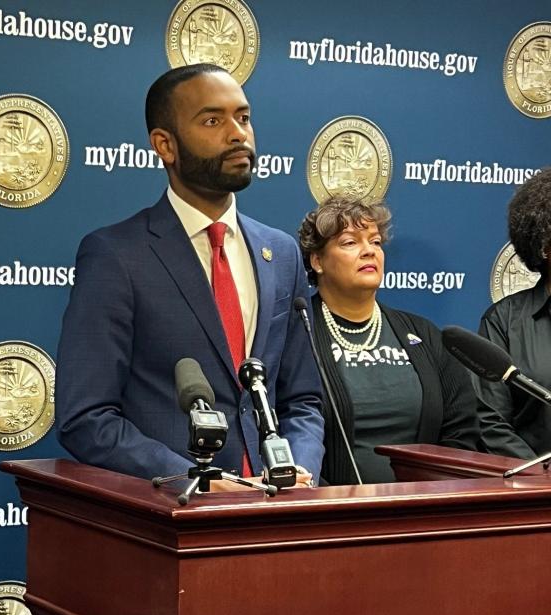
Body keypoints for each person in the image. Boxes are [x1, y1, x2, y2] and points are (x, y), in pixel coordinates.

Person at [56, 63, 324, 487]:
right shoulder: (116, 255)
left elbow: (302, 398)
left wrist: (299, 468)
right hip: (178, 522)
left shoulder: (283, 253)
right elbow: (86, 417)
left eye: (244, 117)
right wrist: (193, 478)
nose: (238, 133)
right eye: (213, 120)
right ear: (165, 144)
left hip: (280, 515)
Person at [298, 195, 478, 485]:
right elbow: (287, 427)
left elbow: (461, 428)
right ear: (317, 260)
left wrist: (433, 494)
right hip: (329, 518)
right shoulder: (297, 332)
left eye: (376, 241)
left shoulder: (422, 334)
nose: (369, 251)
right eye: (350, 242)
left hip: (421, 515)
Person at [475, 169, 551, 459]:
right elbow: (490, 423)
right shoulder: (503, 321)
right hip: (534, 493)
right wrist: (540, 475)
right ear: (544, 246)